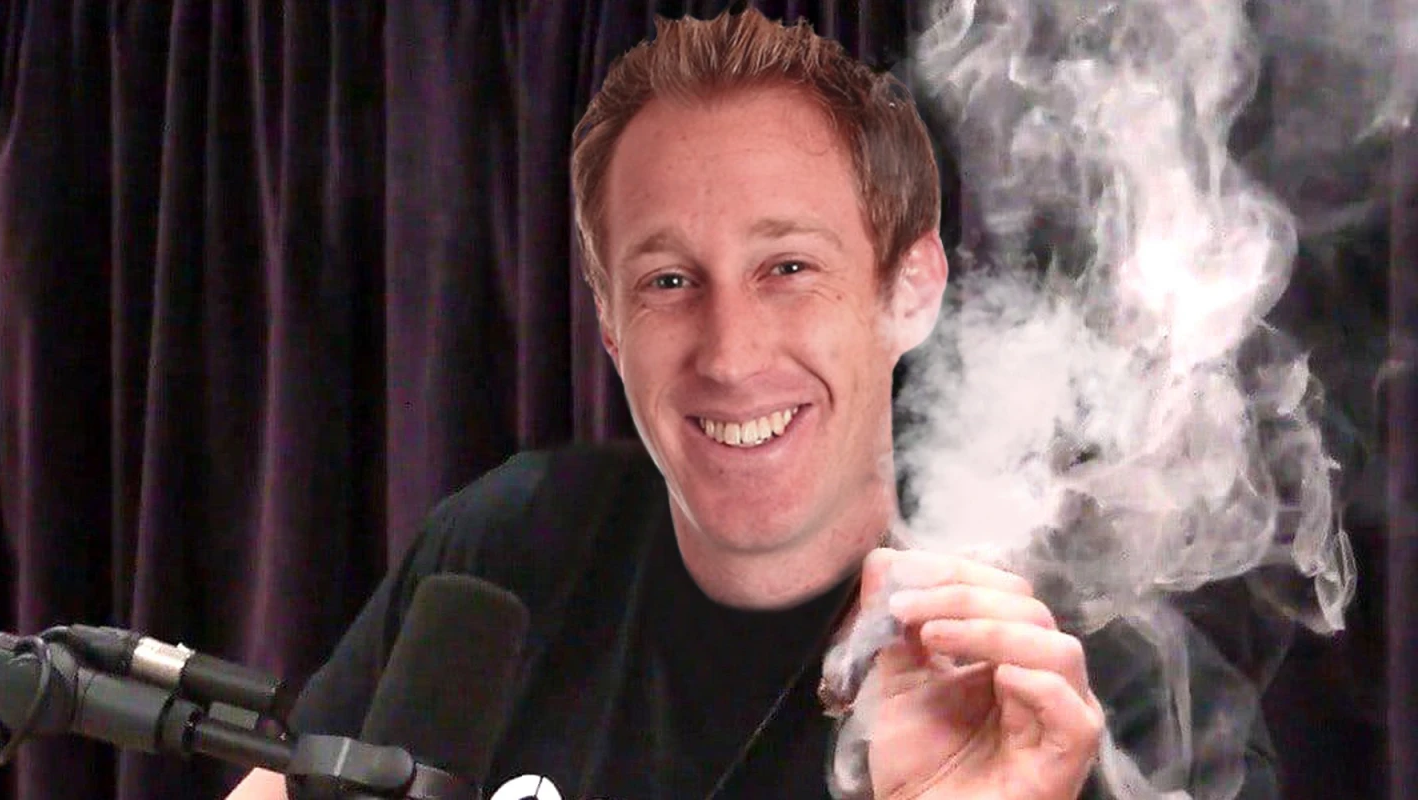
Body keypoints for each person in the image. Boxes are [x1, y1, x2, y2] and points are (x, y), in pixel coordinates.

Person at [226, 9, 1276, 800]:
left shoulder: (1084, 693)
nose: (729, 354)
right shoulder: (508, 544)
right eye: (667, 281)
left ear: (910, 288)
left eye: (788, 267)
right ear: (608, 322)